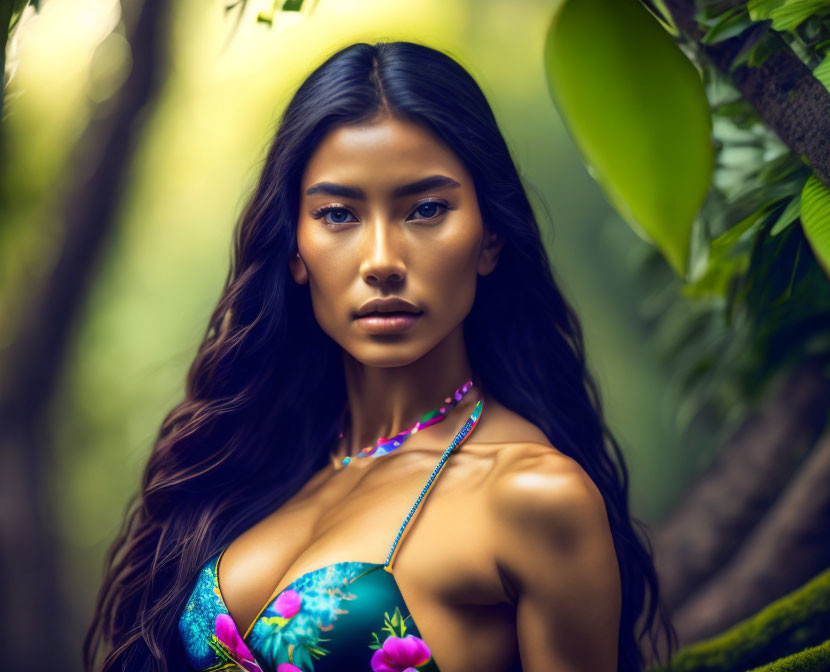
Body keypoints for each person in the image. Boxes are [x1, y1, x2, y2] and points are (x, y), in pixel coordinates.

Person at [84, 40, 676, 672]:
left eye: (426, 209)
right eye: (338, 214)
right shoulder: (261, 464)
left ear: (490, 238)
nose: (382, 262)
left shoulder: (533, 495)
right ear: (295, 251)